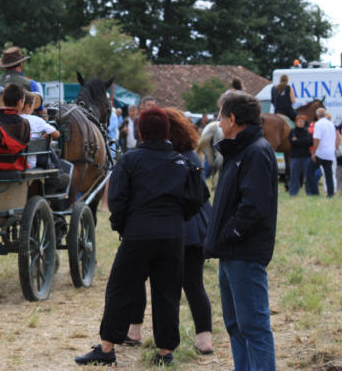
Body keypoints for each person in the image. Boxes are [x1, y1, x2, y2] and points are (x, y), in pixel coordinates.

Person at [75, 107, 192, 367]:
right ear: (166, 131)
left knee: (120, 288)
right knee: (168, 293)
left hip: (139, 233)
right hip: (172, 234)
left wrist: (123, 227)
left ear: (141, 131)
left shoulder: (130, 160)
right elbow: (195, 198)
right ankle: (165, 352)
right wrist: (176, 219)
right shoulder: (181, 161)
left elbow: (117, 200)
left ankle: (107, 349)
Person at [125, 108, 214, 355]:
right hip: (195, 229)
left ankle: (134, 331)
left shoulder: (160, 158)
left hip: (165, 228)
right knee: (194, 285)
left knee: (141, 279)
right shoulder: (191, 156)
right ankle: (204, 340)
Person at [204, 90, 278, 371]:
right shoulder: (240, 151)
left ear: (232, 118)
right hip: (231, 253)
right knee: (236, 325)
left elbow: (254, 207)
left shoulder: (255, 152)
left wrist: (229, 235)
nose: (218, 121)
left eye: (220, 115)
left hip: (244, 253)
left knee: (254, 327)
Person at [19, 92, 60, 169]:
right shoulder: (37, 120)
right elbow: (57, 134)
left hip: (8, 164)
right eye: (33, 106)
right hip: (30, 165)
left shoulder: (8, 119)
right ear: (28, 106)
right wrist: (45, 136)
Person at [306, 108, 337, 197]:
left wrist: (314, 151)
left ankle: (314, 192)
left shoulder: (318, 124)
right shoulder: (331, 123)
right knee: (328, 174)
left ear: (317, 115)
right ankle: (330, 193)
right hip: (330, 152)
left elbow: (317, 139)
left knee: (309, 171)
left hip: (321, 152)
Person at [288, 115, 314, 196]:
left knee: (308, 175)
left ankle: (309, 192)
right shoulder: (292, 132)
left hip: (306, 157)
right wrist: (303, 141)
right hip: (295, 157)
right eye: (300, 121)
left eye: (303, 121)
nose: (301, 123)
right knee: (294, 176)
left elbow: (310, 142)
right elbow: (292, 142)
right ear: (296, 122)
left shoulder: (307, 131)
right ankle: (293, 193)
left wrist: (298, 140)